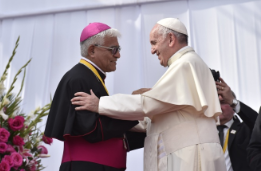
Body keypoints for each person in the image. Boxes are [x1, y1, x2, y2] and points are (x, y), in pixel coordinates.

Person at [71, 18, 227, 171]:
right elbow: (153, 119)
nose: (152, 50)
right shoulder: (186, 64)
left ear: (171, 39)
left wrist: (101, 104)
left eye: (154, 43)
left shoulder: (185, 64)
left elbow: (148, 105)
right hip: (186, 153)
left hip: (190, 155)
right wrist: (114, 118)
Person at [44, 22, 142, 171]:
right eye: (113, 49)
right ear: (92, 50)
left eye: (118, 49)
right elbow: (93, 130)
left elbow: (109, 127)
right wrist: (135, 108)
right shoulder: (79, 79)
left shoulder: (90, 76)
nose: (118, 55)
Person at [214, 74, 257, 171]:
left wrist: (234, 102)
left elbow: (258, 123)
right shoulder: (205, 132)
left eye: (223, 102)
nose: (218, 107)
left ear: (232, 107)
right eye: (215, 103)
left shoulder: (245, 129)